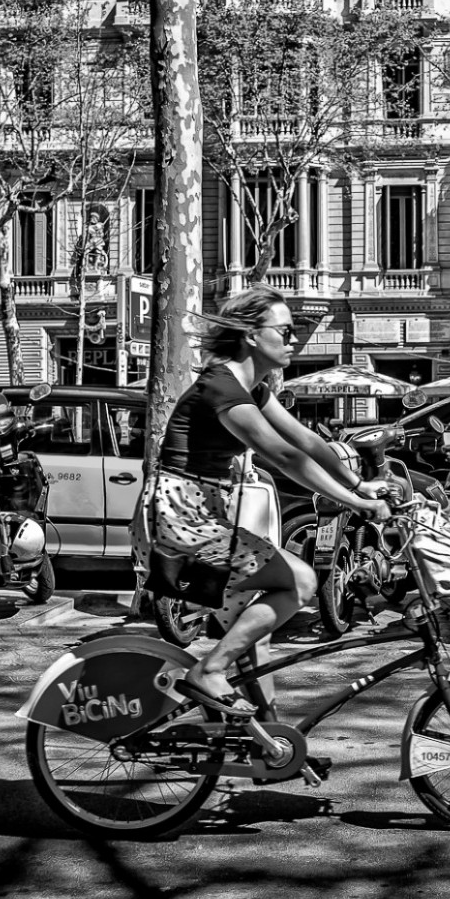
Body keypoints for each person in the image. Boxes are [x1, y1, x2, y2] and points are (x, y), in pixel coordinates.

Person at [136, 283, 392, 717]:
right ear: (252, 335)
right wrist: (355, 502)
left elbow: (308, 440)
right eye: (287, 331)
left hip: (202, 511)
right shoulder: (222, 389)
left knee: (257, 630)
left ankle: (269, 738)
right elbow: (284, 456)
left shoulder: (253, 389)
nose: (294, 340)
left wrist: (358, 482)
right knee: (302, 582)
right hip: (182, 515)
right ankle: (208, 671)